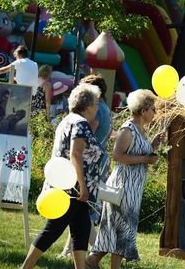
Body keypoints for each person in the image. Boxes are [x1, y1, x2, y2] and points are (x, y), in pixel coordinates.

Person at [21, 83, 103, 269]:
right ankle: (25, 267)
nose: (98, 107)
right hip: (73, 188)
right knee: (53, 230)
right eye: (96, 103)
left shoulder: (68, 120)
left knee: (81, 230)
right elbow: (75, 154)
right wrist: (82, 186)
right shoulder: (81, 123)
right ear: (88, 105)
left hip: (71, 187)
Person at [86, 89, 164, 269]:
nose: (155, 112)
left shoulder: (142, 130)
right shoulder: (128, 130)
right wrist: (146, 159)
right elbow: (117, 156)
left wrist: (153, 145)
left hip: (133, 187)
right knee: (122, 229)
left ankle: (91, 261)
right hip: (123, 186)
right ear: (143, 110)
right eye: (153, 108)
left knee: (115, 229)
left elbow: (137, 152)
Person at [59, 73, 113, 258]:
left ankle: (96, 249)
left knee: (80, 206)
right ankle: (73, 250)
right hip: (99, 161)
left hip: (89, 163)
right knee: (80, 209)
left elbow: (89, 134)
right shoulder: (105, 107)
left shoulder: (94, 111)